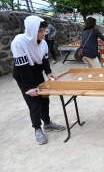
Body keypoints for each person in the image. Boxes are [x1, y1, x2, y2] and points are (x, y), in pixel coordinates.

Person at [11, 15, 66, 145]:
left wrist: (48, 73)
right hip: (23, 76)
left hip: (36, 73)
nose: (44, 33)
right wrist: (30, 87)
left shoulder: (44, 42)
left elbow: (44, 59)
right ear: (31, 30)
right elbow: (23, 68)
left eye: (44, 30)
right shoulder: (19, 42)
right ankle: (37, 129)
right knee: (34, 103)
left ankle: (47, 123)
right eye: (40, 30)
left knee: (44, 99)